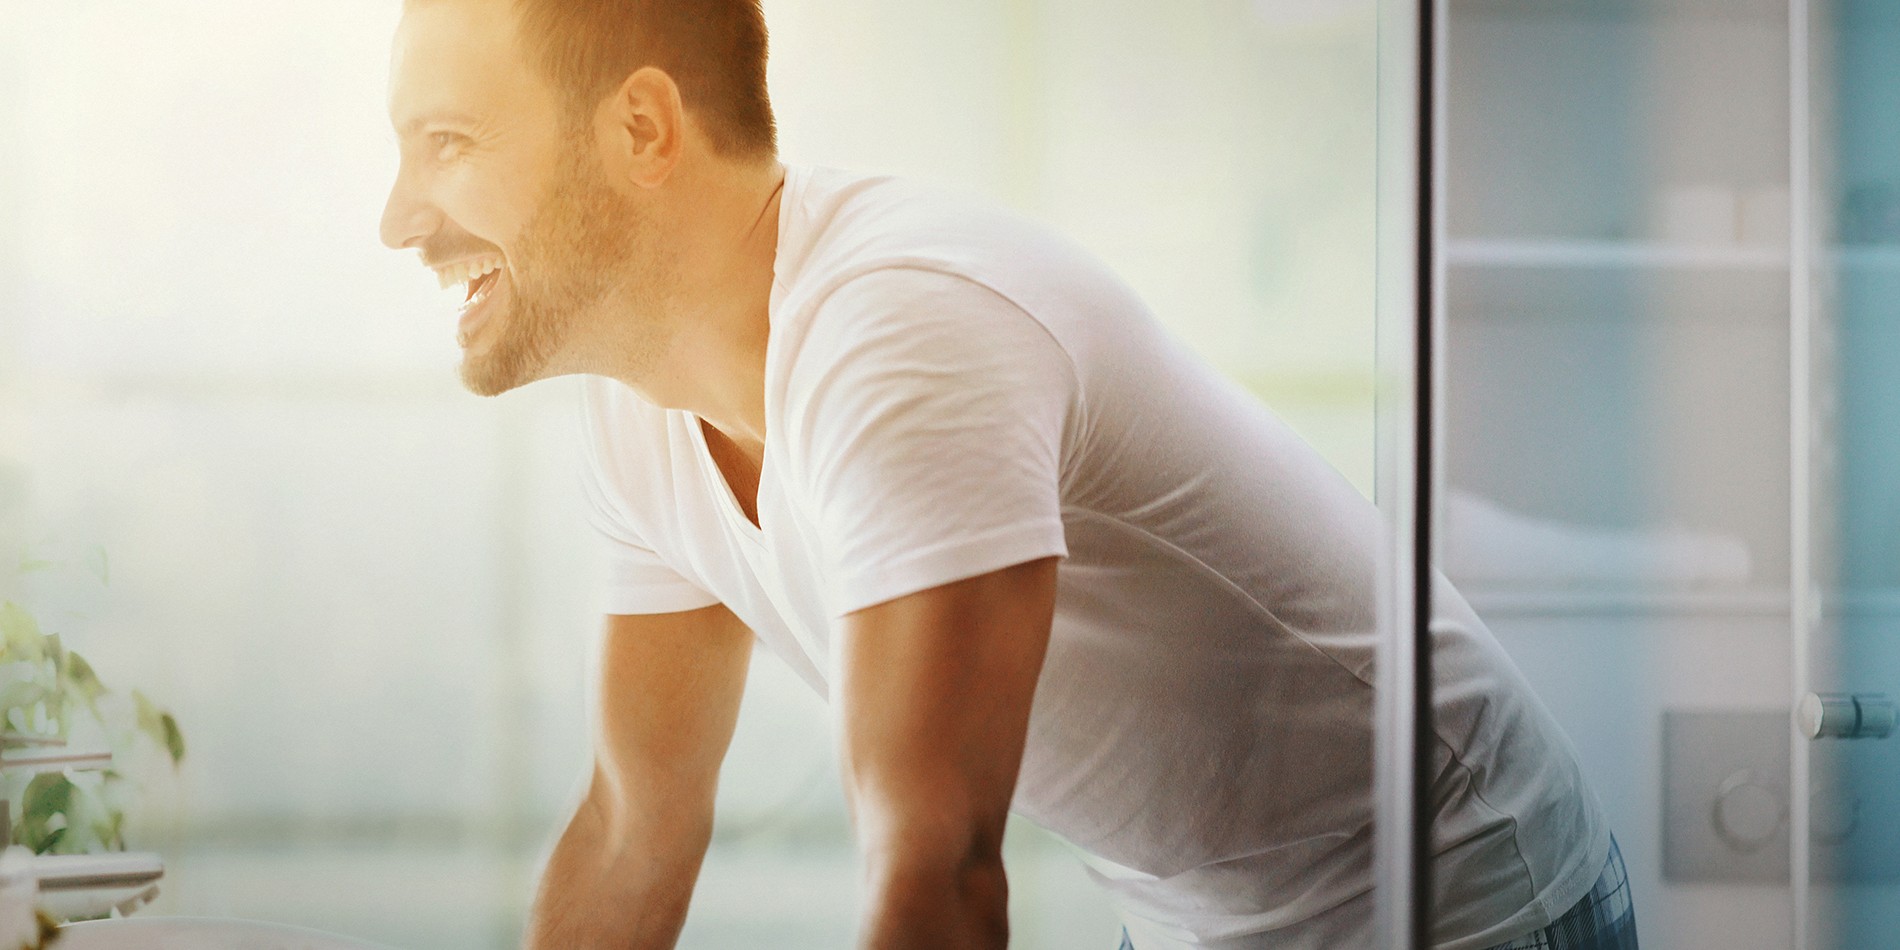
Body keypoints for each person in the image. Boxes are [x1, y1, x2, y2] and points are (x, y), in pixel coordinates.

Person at [376, 1, 1634, 947]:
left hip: (1456, 898)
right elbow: (635, 827)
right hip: (1205, 910)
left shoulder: (900, 335)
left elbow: (940, 866)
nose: (397, 217)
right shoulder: (640, 412)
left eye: (447, 142)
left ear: (641, 128)